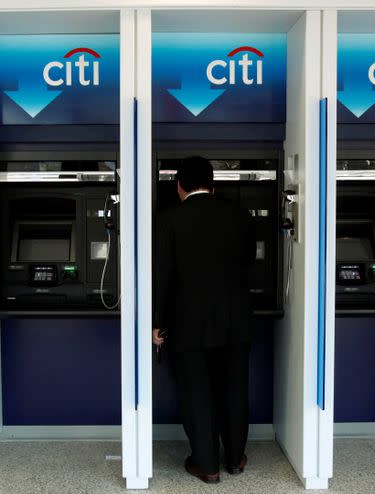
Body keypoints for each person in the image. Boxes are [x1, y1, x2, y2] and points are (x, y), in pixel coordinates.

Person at [153, 156, 256, 484]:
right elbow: (249, 263)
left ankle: (207, 465)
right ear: (213, 185)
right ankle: (235, 459)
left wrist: (156, 323)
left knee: (197, 392)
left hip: (188, 323)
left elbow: (161, 275)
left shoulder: (169, 219)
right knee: (235, 389)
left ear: (179, 186)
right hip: (236, 319)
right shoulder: (241, 216)